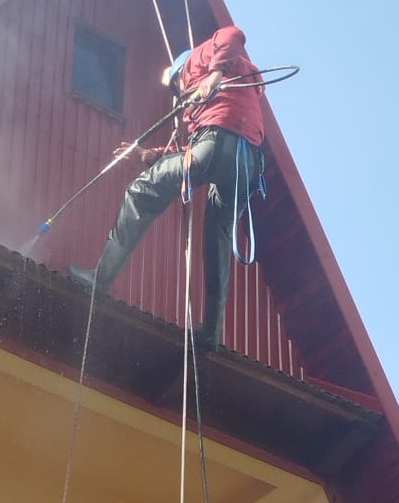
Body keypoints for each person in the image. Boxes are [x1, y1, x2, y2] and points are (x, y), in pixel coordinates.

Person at [69, 25, 265, 348]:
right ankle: (212, 333)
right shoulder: (235, 90)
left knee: (140, 194)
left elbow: (233, 34)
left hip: (217, 145)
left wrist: (214, 75)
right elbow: (192, 154)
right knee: (217, 236)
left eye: (177, 89)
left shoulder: (196, 66)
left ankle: (99, 280)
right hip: (248, 165)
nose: (180, 97)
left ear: (178, 76)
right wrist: (149, 155)